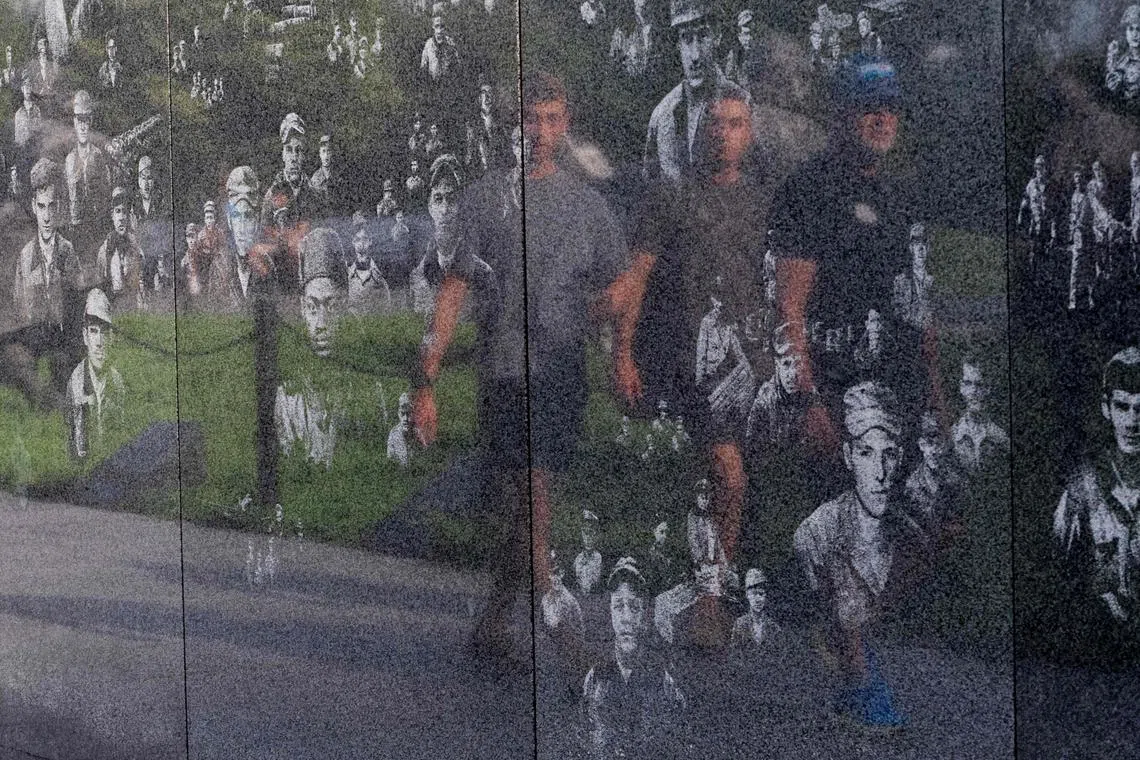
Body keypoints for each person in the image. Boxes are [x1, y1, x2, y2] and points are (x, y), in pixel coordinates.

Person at [412, 74, 631, 661]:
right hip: (505, 374)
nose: (541, 132)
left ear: (566, 125)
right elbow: (453, 292)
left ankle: (490, 625)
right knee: (533, 498)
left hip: (562, 375)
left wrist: (620, 346)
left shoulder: (587, 205)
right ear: (514, 127)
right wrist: (425, 381)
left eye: (552, 119)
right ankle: (566, 634)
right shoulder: (487, 199)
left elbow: (621, 281)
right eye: (531, 120)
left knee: (527, 502)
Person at [628, 89, 767, 566]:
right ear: (699, 132)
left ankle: (725, 576)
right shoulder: (673, 196)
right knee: (728, 475)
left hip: (755, 362)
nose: (723, 134)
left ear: (749, 134)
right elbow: (638, 277)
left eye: (735, 124)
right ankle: (711, 590)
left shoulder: (763, 204)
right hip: (695, 364)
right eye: (715, 124)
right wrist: (622, 353)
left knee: (743, 479)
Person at [770, 56, 914, 439]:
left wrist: (933, 398)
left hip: (891, 392)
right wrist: (808, 402)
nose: (883, 120)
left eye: (891, 108)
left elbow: (912, 304)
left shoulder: (895, 195)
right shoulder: (808, 190)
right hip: (831, 395)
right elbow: (789, 306)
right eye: (869, 108)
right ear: (842, 113)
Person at [793, 381, 919, 729]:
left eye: (889, 454)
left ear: (901, 457)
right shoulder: (818, 532)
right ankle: (861, 687)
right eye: (866, 453)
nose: (880, 473)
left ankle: (855, 690)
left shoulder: (910, 534)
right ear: (849, 457)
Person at [1053, 347, 1140, 635]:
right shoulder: (1084, 484)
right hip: (1099, 645)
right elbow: (1059, 573)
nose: (1132, 422)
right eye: (1122, 407)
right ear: (1106, 408)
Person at [584, 558, 685, 759]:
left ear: (645, 614)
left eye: (634, 607)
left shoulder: (664, 680)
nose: (626, 617)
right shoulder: (595, 679)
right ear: (610, 613)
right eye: (619, 606)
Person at [7, 158, 87, 407]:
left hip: (63, 358)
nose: (47, 215)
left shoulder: (68, 252)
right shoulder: (25, 256)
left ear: (59, 207)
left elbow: (77, 310)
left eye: (52, 206)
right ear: (34, 206)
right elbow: (20, 311)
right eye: (42, 207)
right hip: (35, 358)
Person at [643, 0, 749, 185]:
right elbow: (650, 195)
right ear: (678, 44)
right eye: (686, 39)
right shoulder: (662, 115)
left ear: (717, 37)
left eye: (703, 36)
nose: (695, 55)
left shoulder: (742, 105)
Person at [274, 228, 350, 467]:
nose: (321, 324)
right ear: (301, 309)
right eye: (312, 308)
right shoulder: (288, 398)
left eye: (331, 306)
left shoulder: (367, 387)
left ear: (345, 305)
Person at [66, 289, 125, 460]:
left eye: (104, 332)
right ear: (85, 336)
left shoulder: (117, 381)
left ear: (112, 336)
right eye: (93, 331)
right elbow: (75, 448)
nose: (99, 342)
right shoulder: (76, 382)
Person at [408, 156, 463, 314]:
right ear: (430, 207)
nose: (445, 209)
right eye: (438, 199)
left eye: (451, 199)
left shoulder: (482, 275)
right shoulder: (417, 278)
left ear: (460, 205)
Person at [65, 90, 113, 246]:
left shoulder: (99, 157)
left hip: (96, 228)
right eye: (80, 120)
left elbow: (106, 194)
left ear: (91, 121)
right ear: (74, 122)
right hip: (75, 232)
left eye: (86, 120)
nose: (83, 126)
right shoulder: (70, 160)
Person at [951, 357, 1008, 474]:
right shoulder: (953, 433)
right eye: (967, 383)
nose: (973, 391)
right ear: (961, 387)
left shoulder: (1002, 435)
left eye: (979, 384)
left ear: (988, 388)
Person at [94, 186, 144, 312]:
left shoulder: (137, 248)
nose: (121, 217)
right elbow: (101, 284)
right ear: (112, 215)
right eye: (117, 211)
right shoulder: (104, 250)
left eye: (124, 212)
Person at [730, 567, 783, 649]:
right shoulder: (739, 625)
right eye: (754, 594)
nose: (758, 599)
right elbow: (735, 655)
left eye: (761, 594)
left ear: (766, 596)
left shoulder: (774, 627)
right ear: (747, 595)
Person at [1106, 5, 1140, 101]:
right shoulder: (1121, 63)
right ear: (1125, 32)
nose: (1135, 34)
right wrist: (1111, 58)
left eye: (1139, 29)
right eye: (1131, 29)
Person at [421, 12, 459, 84]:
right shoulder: (428, 44)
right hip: (433, 84)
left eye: (442, 26)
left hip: (448, 84)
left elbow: (457, 65)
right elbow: (423, 67)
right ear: (433, 27)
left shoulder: (451, 43)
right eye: (437, 26)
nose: (439, 30)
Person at [575, 509, 603, 595]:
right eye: (585, 532)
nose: (588, 537)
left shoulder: (601, 558)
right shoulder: (577, 559)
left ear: (597, 535)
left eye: (591, 532)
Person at [308, 134, 337, 210]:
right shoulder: (314, 179)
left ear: (332, 153)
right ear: (320, 154)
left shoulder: (338, 176)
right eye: (323, 151)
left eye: (329, 151)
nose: (326, 156)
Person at [13, 73, 42, 149]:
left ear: (32, 88)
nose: (28, 88)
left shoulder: (37, 110)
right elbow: (17, 139)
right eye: (25, 85)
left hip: (35, 150)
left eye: (29, 85)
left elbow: (39, 133)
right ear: (22, 89)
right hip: (23, 151)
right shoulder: (18, 113)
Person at [387, 392, 413, 466]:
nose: (405, 419)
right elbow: (390, 461)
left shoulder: (418, 433)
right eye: (402, 414)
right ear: (398, 414)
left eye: (409, 414)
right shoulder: (393, 434)